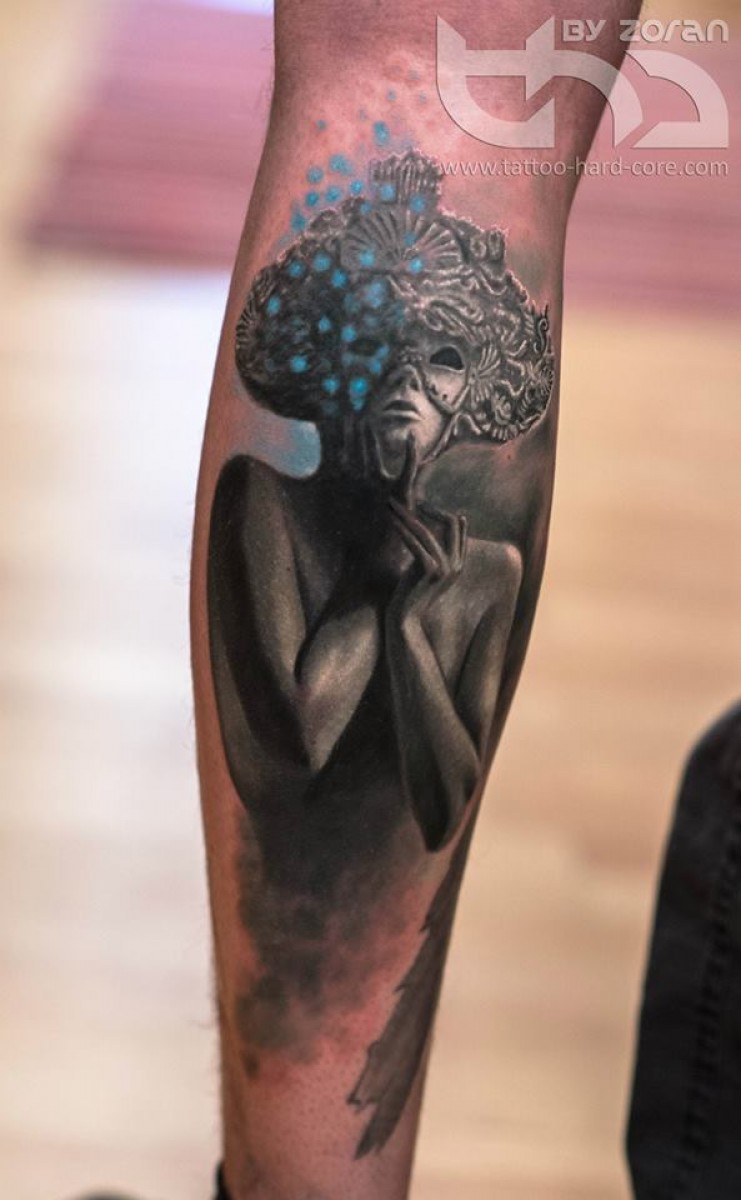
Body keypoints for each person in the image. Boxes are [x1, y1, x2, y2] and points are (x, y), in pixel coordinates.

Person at [188, 2, 643, 1198]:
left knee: (443, 59)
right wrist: (383, 601)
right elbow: (287, 754)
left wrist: (409, 629)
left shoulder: (477, 572)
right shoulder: (267, 507)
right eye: (382, 351)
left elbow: (435, 793)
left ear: (468, 392)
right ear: (333, 365)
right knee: (458, 61)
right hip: (310, 937)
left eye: (442, 362)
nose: (407, 385)